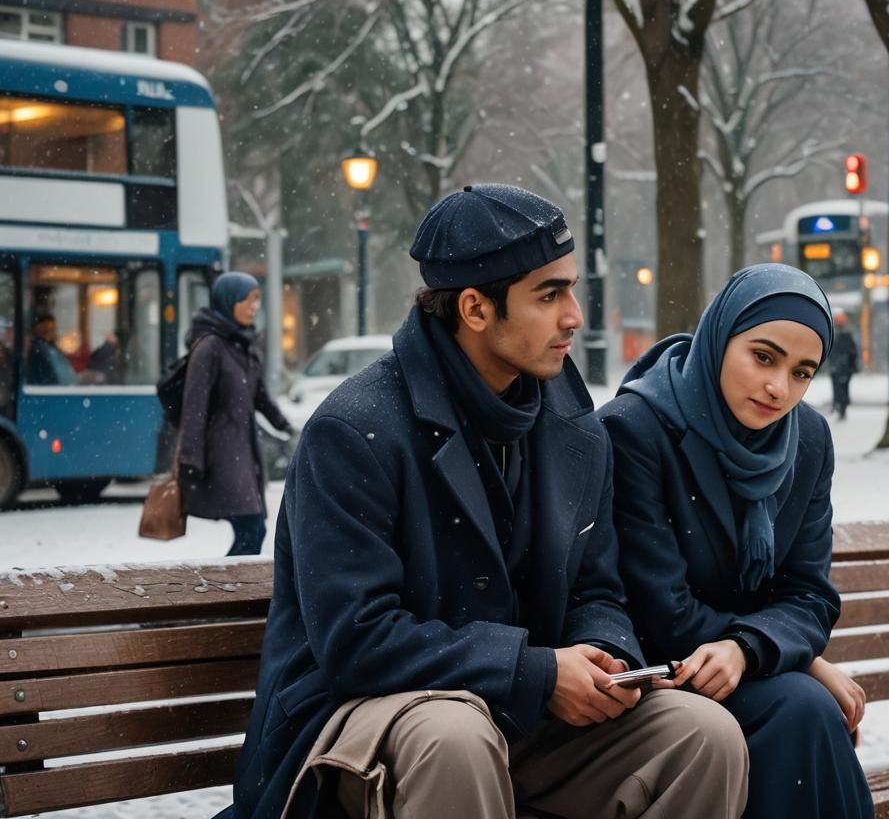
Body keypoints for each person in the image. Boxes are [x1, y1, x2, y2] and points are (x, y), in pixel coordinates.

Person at [220, 185, 748, 819]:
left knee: (703, 736)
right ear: (474, 308)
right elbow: (357, 640)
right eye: (549, 295)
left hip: (516, 716)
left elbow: (597, 590)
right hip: (355, 720)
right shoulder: (353, 430)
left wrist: (604, 657)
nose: (574, 316)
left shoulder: (576, 428)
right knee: (455, 737)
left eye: (572, 290)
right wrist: (534, 673)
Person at [599, 264, 874, 819]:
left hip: (741, 667)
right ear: (720, 337)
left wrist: (749, 650)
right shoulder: (637, 429)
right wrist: (784, 658)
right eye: (764, 357)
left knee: (807, 711)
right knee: (803, 708)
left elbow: (809, 594)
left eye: (802, 372)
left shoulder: (808, 439)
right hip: (659, 673)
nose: (779, 388)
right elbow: (661, 609)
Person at [177, 272, 293, 555]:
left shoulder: (242, 345)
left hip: (243, 451)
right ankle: (223, 583)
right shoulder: (210, 347)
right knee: (252, 528)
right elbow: (194, 407)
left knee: (252, 529)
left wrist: (285, 425)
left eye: (257, 300)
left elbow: (261, 397)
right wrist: (190, 459)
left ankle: (225, 582)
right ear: (229, 301)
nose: (254, 307)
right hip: (220, 454)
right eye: (248, 300)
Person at [26, 314, 77, 385]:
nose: (50, 332)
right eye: (47, 329)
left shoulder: (54, 349)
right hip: (50, 389)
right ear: (37, 328)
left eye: (53, 329)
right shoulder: (38, 349)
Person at [830, 310, 859, 420]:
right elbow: (853, 352)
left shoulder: (837, 335)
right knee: (842, 388)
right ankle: (840, 406)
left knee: (840, 389)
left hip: (840, 367)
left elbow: (852, 352)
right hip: (843, 367)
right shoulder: (843, 335)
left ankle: (840, 406)